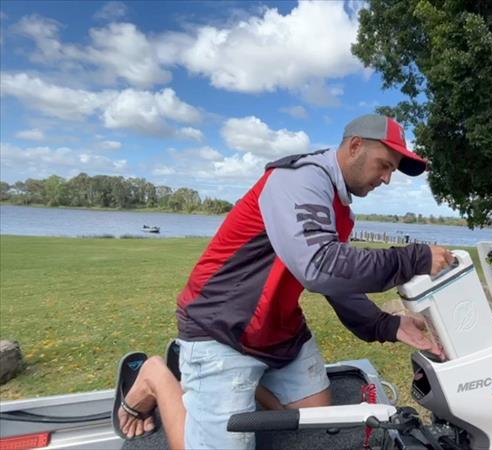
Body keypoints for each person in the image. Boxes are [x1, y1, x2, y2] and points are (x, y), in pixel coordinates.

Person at [116, 114, 455, 449]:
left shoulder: (338, 204)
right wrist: (415, 258)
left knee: (318, 416)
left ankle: (234, 383)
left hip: (276, 331)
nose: (386, 179)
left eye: (392, 171)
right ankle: (157, 375)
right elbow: (319, 265)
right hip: (221, 327)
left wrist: (387, 325)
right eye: (384, 165)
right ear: (354, 147)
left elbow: (335, 280)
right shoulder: (299, 180)